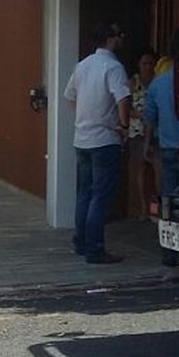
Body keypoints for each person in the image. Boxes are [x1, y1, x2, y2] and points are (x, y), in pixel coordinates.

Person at [63, 22, 131, 264]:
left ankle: (81, 243)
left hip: (82, 138)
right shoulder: (113, 67)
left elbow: (69, 96)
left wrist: (85, 117)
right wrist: (123, 126)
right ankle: (95, 248)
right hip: (105, 139)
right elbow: (122, 97)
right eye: (120, 35)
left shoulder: (82, 66)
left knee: (84, 193)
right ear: (111, 39)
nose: (122, 39)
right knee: (100, 196)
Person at [143, 31, 179, 266]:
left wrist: (147, 144)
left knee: (169, 200)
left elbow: (150, 118)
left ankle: (169, 252)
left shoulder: (158, 83)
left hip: (168, 146)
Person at [126, 48, 158, 220]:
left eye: (150, 63)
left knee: (155, 171)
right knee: (140, 170)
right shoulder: (133, 82)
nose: (147, 67)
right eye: (144, 63)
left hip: (154, 131)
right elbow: (125, 105)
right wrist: (136, 114)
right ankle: (144, 208)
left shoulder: (158, 82)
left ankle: (156, 209)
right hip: (137, 130)